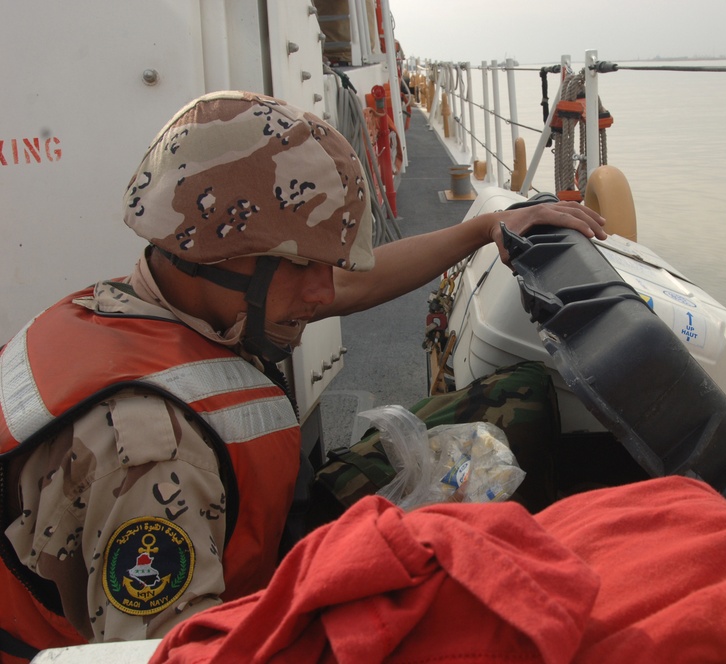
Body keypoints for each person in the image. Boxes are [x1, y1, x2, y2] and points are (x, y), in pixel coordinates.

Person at [0, 90, 606, 658]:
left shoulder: (135, 304)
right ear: (218, 252)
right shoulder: (154, 455)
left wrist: (480, 229)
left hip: (247, 555)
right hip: (214, 622)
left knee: (512, 401)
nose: (324, 290)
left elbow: (348, 282)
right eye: (303, 265)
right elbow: (179, 654)